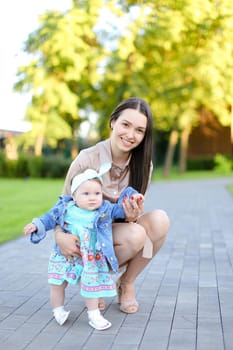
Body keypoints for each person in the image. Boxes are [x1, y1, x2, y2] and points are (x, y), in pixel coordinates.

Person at [54, 96, 170, 314]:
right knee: (135, 235)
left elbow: (130, 220)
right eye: (125, 125)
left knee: (159, 220)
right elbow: (63, 205)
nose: (130, 135)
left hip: (116, 231)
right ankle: (94, 282)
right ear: (113, 122)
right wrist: (59, 236)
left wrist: (132, 215)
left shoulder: (144, 165)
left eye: (139, 130)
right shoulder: (87, 158)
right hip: (87, 237)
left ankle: (126, 283)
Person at [24, 163, 143, 330]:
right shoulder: (65, 208)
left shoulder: (104, 209)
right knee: (57, 283)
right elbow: (48, 218)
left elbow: (120, 210)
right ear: (74, 196)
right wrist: (36, 225)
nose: (93, 197)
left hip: (91, 257)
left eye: (97, 193)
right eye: (86, 194)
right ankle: (58, 310)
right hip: (65, 255)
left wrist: (132, 200)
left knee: (91, 286)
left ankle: (94, 315)